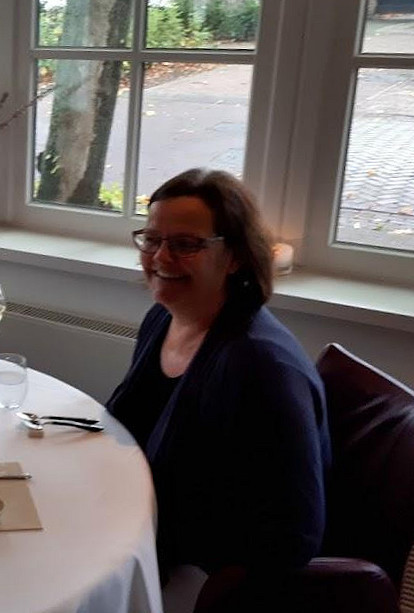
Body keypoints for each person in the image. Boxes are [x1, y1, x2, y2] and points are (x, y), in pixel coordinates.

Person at [105, 169, 331, 604]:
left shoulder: (262, 366)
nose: (160, 257)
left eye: (185, 244)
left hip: (213, 578)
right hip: (142, 522)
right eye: (152, 239)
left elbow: (296, 535)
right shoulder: (164, 317)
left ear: (235, 257)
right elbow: (131, 422)